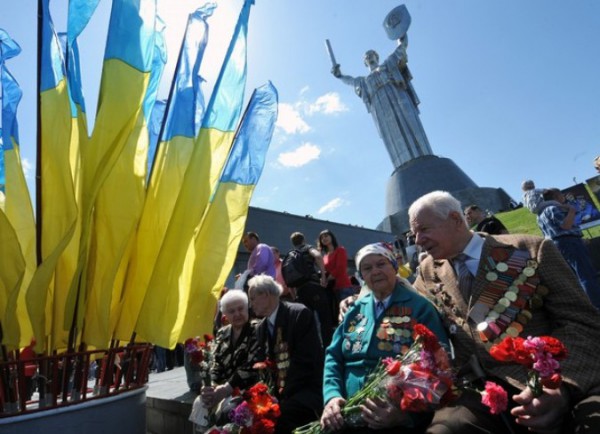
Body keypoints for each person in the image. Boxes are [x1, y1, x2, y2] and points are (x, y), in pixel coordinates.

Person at [407, 190, 600, 433]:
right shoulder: (428, 270)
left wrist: (559, 385)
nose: (417, 240)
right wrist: (358, 299)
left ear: (456, 219)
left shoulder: (529, 250)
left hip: (553, 379)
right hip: (481, 392)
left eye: (423, 229)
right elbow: (406, 300)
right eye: (414, 233)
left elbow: (583, 323)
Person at [321, 243, 448, 434]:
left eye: (381, 264)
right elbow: (333, 357)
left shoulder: (420, 307)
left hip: (393, 417)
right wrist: (331, 396)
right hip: (345, 413)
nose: (375, 271)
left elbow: (440, 366)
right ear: (361, 276)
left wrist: (406, 416)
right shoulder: (353, 310)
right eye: (367, 268)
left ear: (394, 267)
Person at [331, 18, 433, 169]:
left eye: (371, 55)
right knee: (393, 137)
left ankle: (426, 158)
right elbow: (349, 80)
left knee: (411, 126)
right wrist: (339, 75)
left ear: (376, 57)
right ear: (365, 63)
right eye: (366, 57)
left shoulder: (388, 64)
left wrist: (400, 31)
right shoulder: (363, 81)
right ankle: (403, 166)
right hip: (381, 108)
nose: (369, 57)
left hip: (398, 96)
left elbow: (402, 47)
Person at [248, 275, 323, 434]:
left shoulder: (298, 313)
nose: (251, 304)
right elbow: (262, 364)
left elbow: (305, 362)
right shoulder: (261, 327)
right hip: (279, 394)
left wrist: (280, 398)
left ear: (266, 295)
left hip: (304, 391)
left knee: (279, 417)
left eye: (253, 298)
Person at [537, 188, 600, 309]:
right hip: (570, 243)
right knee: (586, 274)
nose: (563, 196)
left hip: (558, 246)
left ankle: (588, 305)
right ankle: (596, 304)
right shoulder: (554, 208)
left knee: (576, 276)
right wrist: (571, 211)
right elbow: (566, 226)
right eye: (561, 194)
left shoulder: (540, 215)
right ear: (556, 196)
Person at [200, 290, 260, 410]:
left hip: (248, 388)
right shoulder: (222, 332)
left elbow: (251, 365)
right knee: (200, 403)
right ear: (225, 315)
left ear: (247, 308)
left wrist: (226, 389)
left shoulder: (257, 329)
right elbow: (215, 361)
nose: (237, 314)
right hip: (222, 387)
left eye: (240, 309)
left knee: (228, 407)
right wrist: (210, 386)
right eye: (232, 311)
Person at [286, 232, 335, 347]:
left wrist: (294, 296)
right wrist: (323, 275)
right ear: (303, 240)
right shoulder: (307, 248)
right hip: (313, 287)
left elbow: (289, 280)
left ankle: (313, 349)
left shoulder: (290, 255)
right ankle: (328, 348)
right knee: (325, 319)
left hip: (300, 292)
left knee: (308, 322)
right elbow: (317, 256)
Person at [318, 229, 355, 301]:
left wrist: (326, 280)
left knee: (347, 311)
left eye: (326, 236)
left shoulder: (340, 250)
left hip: (343, 287)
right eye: (321, 238)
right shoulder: (325, 256)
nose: (324, 239)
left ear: (332, 237)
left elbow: (340, 268)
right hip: (331, 288)